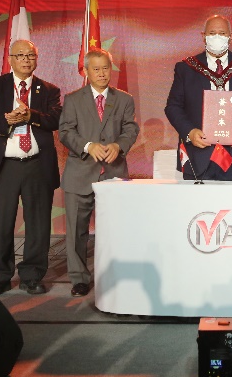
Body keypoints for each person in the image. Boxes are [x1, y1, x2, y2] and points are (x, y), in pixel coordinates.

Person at [0, 39, 61, 296]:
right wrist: (5, 121)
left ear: (37, 59)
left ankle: (32, 275)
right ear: (11, 59)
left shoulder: (48, 89)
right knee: (0, 223)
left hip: (37, 164)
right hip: (4, 165)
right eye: (20, 55)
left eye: (30, 56)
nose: (26, 60)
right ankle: (0, 276)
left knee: (38, 224)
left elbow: (56, 119)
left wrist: (30, 116)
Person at [59, 48, 139, 297]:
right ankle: (79, 279)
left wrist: (119, 146)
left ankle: (113, 274)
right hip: (79, 174)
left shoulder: (124, 99)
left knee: (114, 229)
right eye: (96, 69)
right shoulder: (73, 99)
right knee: (76, 231)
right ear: (86, 71)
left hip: (113, 173)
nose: (102, 73)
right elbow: (65, 132)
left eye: (106, 67)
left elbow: (130, 129)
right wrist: (87, 146)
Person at [164, 15, 232, 181]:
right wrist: (190, 132)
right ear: (203, 36)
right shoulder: (186, 68)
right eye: (212, 33)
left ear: (231, 36)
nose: (217, 37)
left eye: (222, 33)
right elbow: (173, 107)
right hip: (198, 154)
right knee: (197, 206)